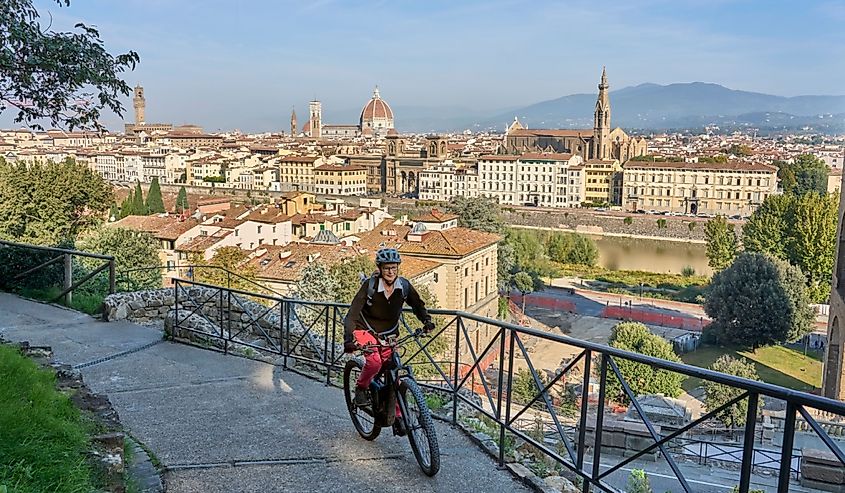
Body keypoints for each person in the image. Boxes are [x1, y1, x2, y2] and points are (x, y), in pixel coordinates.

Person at [344, 248, 435, 434]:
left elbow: (417, 305)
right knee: (375, 362)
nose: (391, 272)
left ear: (398, 268)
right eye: (387, 268)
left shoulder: (404, 287)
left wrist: (426, 321)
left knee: (394, 371)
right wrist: (349, 340)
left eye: (394, 268)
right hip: (365, 330)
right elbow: (352, 314)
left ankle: (398, 414)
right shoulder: (369, 286)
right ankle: (361, 388)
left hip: (390, 334)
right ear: (380, 268)